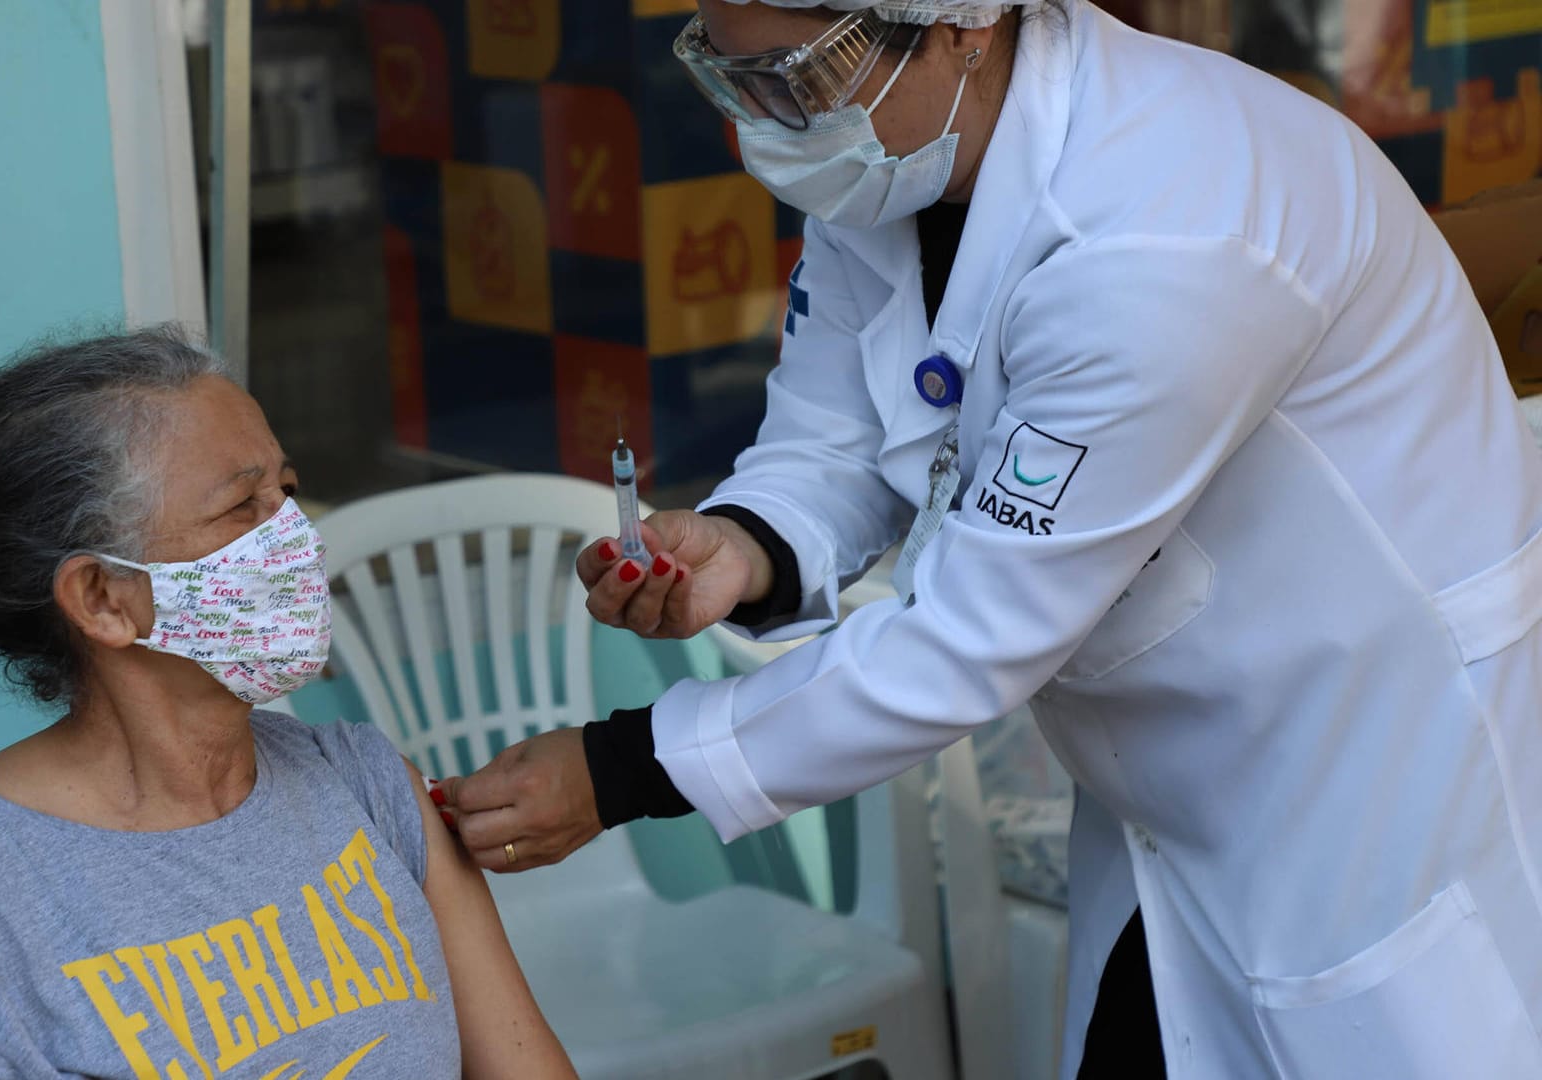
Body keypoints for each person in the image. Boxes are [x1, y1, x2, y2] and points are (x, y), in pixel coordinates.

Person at [438, 1, 1542, 1077]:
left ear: (961, 23)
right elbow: (845, 424)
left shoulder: (1169, 233)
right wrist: (746, 543)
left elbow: (971, 640)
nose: (762, 122)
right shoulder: (896, 143)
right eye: (732, 76)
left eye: (792, 74)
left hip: (1357, 749)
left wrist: (625, 767)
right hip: (1173, 766)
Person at [0, 328, 575, 1080]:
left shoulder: (367, 786)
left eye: (285, 490)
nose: (296, 538)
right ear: (102, 600)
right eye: (241, 508)